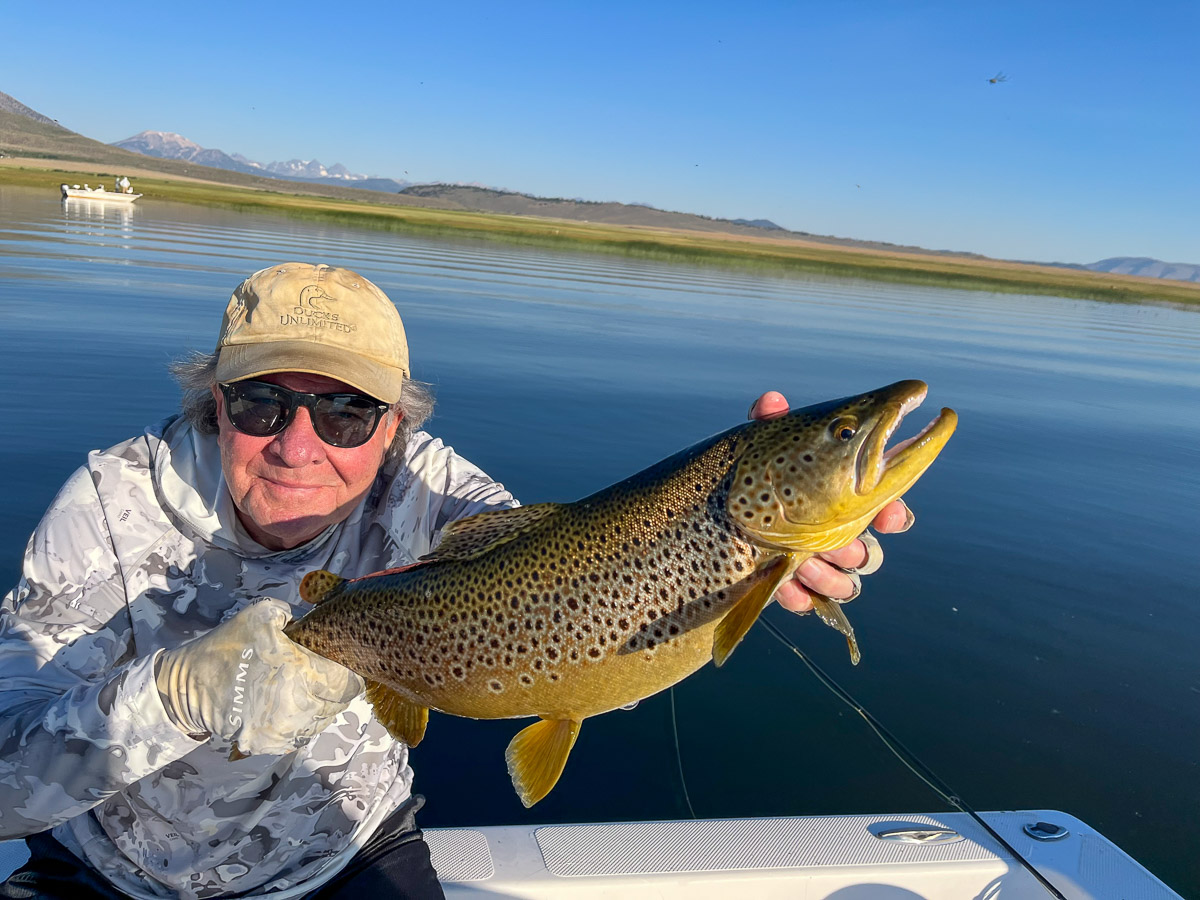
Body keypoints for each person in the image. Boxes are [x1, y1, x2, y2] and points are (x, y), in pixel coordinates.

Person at [0, 262, 912, 899]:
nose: (297, 444)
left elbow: (574, 598)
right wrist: (176, 695)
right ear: (214, 402)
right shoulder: (108, 504)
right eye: (262, 401)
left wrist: (745, 557)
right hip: (107, 874)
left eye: (348, 410)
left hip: (343, 858)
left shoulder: (437, 493)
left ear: (397, 425)